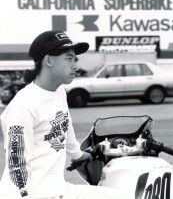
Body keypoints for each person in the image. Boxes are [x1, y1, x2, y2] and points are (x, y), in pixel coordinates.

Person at [0, 30, 132, 199]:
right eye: (69, 59)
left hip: (57, 189)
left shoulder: (59, 91)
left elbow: (65, 125)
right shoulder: (22, 107)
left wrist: (79, 155)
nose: (75, 65)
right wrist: (25, 195)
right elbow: (17, 162)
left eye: (74, 59)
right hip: (29, 194)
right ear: (48, 60)